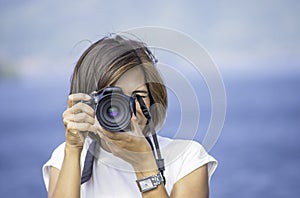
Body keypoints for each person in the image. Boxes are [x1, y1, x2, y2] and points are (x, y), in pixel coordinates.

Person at [42, 34, 217, 198]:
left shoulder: (186, 158)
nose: (127, 107)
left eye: (138, 95)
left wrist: (144, 163)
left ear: (153, 98)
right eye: (111, 97)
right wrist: (73, 150)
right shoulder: (66, 158)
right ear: (86, 102)